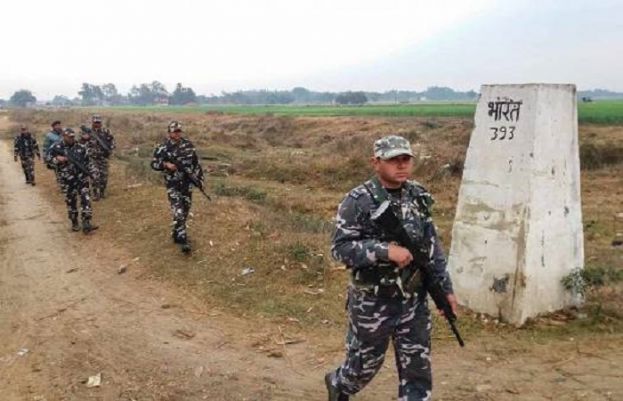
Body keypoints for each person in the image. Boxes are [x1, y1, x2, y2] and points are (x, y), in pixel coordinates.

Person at [325, 135, 458, 401]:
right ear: (376, 163)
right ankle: (339, 383)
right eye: (393, 160)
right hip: (372, 302)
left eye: (405, 159)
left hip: (414, 301)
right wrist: (384, 251)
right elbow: (340, 249)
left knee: (417, 371)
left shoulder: (418, 196)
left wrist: (446, 291)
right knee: (363, 368)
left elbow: (432, 249)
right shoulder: (358, 201)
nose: (401, 166)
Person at [150, 121, 204, 254]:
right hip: (173, 184)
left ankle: (176, 233)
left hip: (187, 184)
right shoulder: (162, 147)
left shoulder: (188, 145)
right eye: (175, 131)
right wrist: (165, 165)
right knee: (178, 211)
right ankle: (183, 239)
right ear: (169, 133)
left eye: (179, 131)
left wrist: (199, 178)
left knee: (185, 210)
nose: (177, 133)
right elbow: (153, 164)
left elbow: (196, 164)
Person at [48, 128, 98, 234]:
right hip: (67, 180)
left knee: (86, 199)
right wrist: (57, 160)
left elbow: (88, 162)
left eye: (73, 137)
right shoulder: (56, 147)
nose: (72, 139)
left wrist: (93, 173)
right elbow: (48, 161)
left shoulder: (81, 147)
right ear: (64, 136)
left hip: (81, 178)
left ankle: (86, 223)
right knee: (71, 202)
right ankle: (74, 222)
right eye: (69, 137)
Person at [88, 115, 115, 200]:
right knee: (95, 175)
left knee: (104, 177)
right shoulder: (87, 132)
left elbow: (112, 142)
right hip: (92, 158)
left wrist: (110, 149)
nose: (97, 124)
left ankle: (102, 193)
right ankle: (96, 194)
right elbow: (80, 144)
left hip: (103, 158)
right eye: (95, 122)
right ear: (92, 122)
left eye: (98, 122)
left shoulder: (106, 131)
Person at [42, 120, 64, 189]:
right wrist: (45, 157)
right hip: (54, 156)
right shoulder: (49, 135)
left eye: (59, 125)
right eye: (56, 125)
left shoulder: (63, 134)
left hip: (64, 155)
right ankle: (61, 185)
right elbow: (45, 146)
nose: (58, 127)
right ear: (53, 127)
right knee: (58, 170)